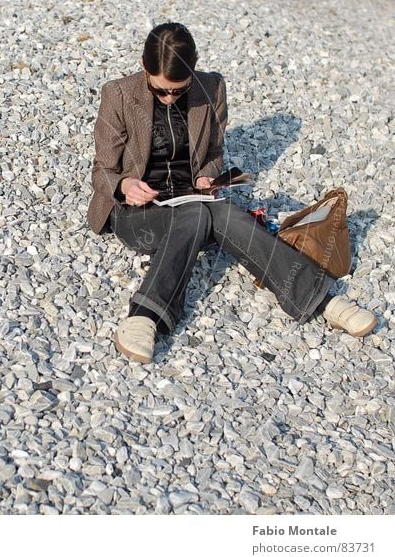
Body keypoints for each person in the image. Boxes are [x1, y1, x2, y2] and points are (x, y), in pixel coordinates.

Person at [87, 22, 376, 363]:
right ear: (143, 67)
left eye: (178, 91)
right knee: (200, 214)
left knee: (221, 212)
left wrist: (208, 179)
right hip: (138, 212)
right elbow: (102, 170)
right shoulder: (119, 94)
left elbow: (213, 154)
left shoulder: (211, 87)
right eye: (160, 90)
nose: (169, 97)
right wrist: (124, 185)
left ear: (193, 71)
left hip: (192, 198)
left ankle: (319, 298)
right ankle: (144, 316)